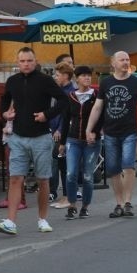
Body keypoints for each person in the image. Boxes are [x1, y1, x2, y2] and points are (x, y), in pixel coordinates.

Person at [0, 47, 69, 236]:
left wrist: (46, 115)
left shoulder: (45, 80)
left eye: (29, 60)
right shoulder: (12, 81)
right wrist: (4, 113)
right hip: (18, 137)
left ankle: (42, 219)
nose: (26, 64)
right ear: (17, 63)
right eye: (22, 61)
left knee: (43, 180)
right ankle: (10, 221)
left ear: (35, 61)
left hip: (41, 137)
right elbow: (4, 100)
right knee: (16, 178)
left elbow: (63, 100)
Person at [85, 51, 137, 219]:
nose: (126, 62)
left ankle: (127, 202)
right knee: (113, 169)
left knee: (128, 165)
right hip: (110, 132)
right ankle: (118, 203)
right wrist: (90, 129)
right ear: (113, 63)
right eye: (122, 60)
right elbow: (97, 107)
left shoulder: (136, 83)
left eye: (127, 60)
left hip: (130, 132)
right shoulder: (106, 83)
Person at [59, 65, 102, 220]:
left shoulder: (97, 95)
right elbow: (65, 120)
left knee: (87, 175)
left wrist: (96, 132)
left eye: (89, 75)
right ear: (76, 78)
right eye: (83, 75)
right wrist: (62, 142)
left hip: (92, 142)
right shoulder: (70, 96)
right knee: (71, 173)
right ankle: (72, 205)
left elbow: (102, 117)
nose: (87, 78)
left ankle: (85, 206)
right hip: (73, 140)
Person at [49, 62, 76, 209]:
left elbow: (67, 116)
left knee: (64, 164)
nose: (55, 77)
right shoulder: (60, 90)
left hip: (62, 133)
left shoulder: (69, 92)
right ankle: (65, 196)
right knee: (61, 163)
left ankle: (68, 197)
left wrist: (59, 130)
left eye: (58, 75)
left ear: (66, 76)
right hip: (55, 131)